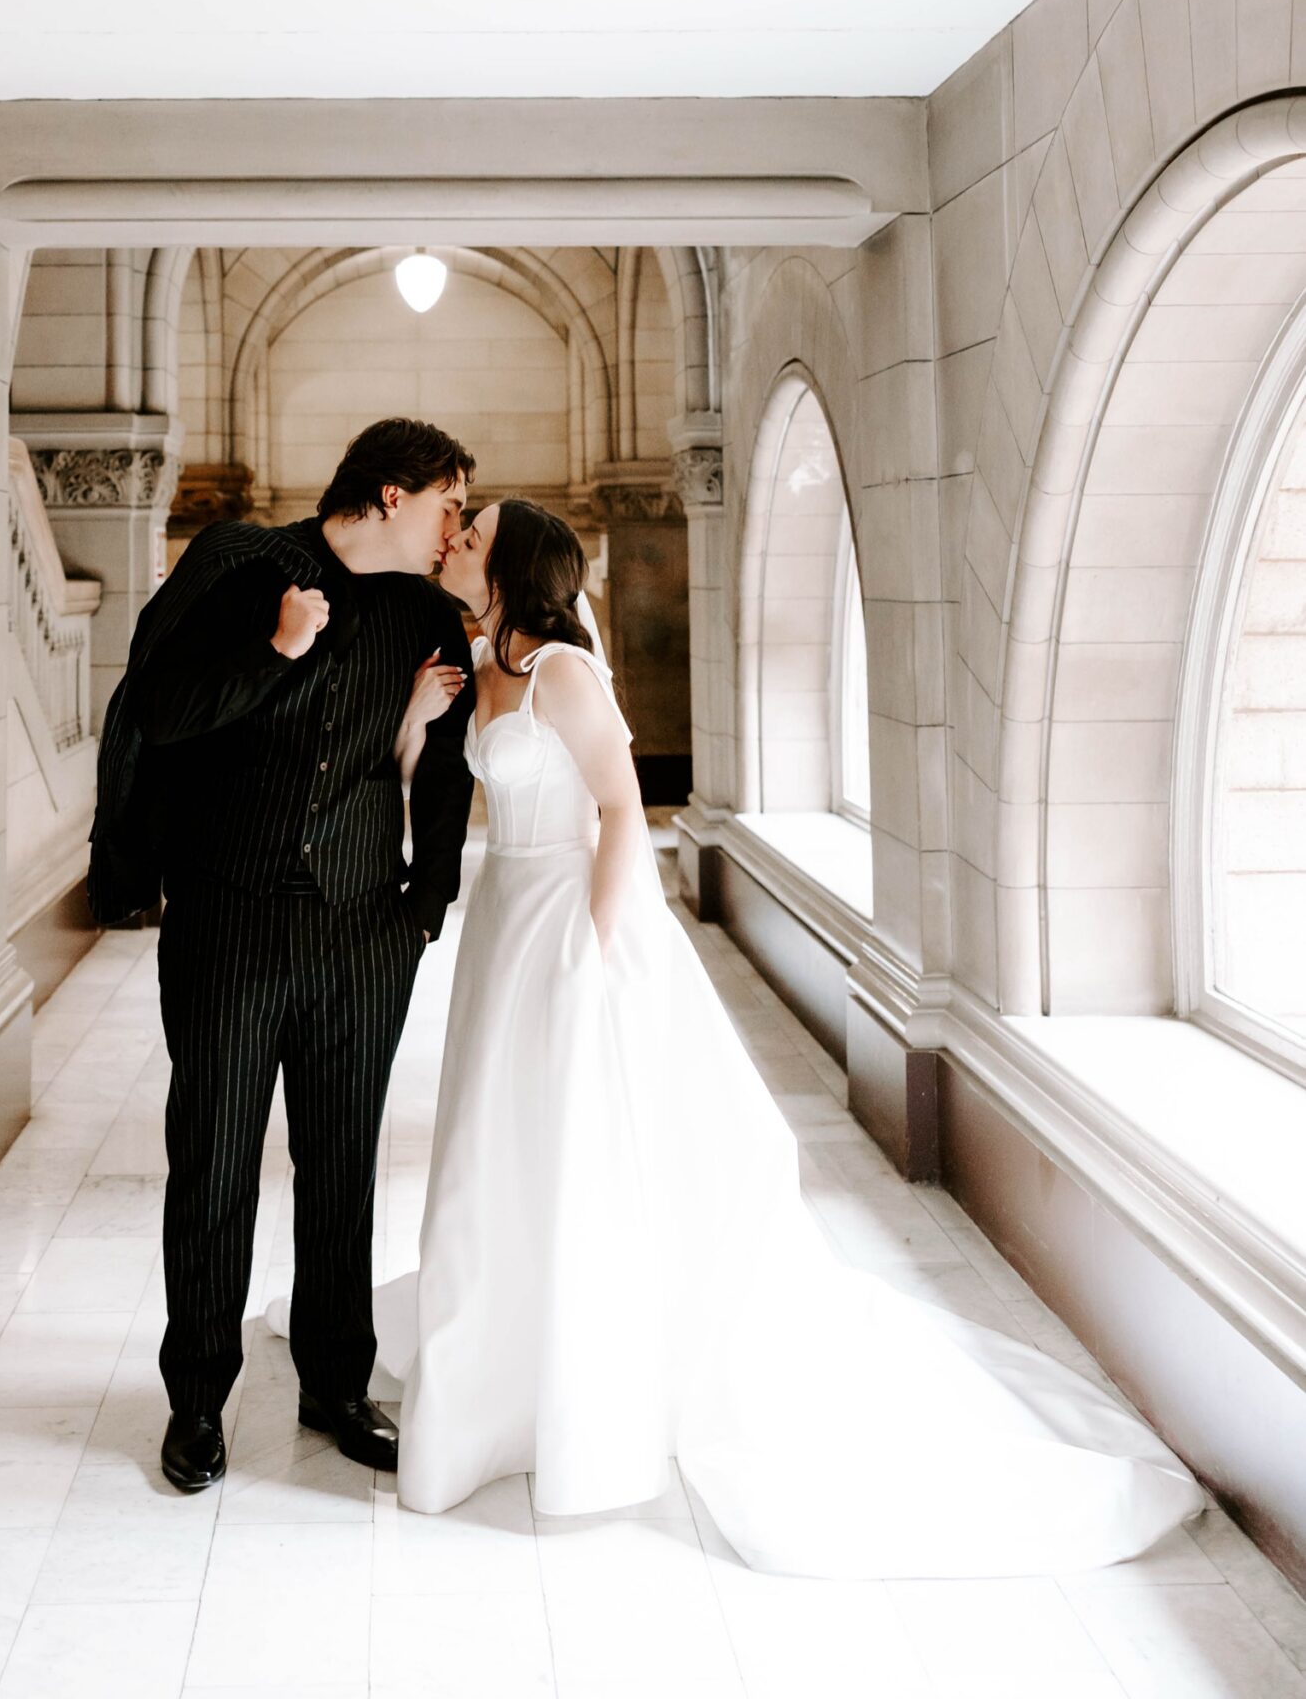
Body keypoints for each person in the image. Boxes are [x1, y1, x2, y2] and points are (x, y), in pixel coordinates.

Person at [368, 498, 1204, 1576]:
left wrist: (595, 941)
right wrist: (412, 724)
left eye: (473, 526)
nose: (456, 535)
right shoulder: (479, 663)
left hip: (573, 924)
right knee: (499, 1142)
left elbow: (623, 811)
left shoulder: (568, 673)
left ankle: (584, 1384)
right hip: (501, 924)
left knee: (581, 1145)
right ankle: (497, 1362)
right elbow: (429, 778)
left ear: (514, 561)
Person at [119, 417, 477, 1494]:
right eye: (446, 504)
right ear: (385, 495)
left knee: (342, 1168)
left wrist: (427, 901)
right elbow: (156, 710)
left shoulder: (427, 616)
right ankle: (196, 1399)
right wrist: (274, 649)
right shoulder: (243, 568)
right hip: (228, 927)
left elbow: (447, 767)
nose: (454, 526)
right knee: (216, 1161)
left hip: (364, 935)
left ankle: (336, 1382)